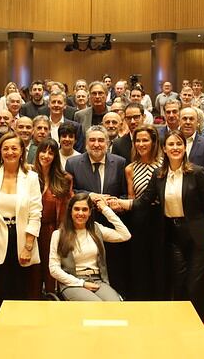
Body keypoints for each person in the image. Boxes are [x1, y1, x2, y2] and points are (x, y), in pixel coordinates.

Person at [117, 130, 204, 318]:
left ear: (185, 147)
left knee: (194, 286)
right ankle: (179, 324)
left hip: (198, 237)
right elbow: (144, 201)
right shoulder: (159, 174)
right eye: (170, 144)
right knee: (177, 283)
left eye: (179, 144)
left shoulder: (197, 172)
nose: (175, 148)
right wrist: (119, 203)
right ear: (164, 148)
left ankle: (196, 325)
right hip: (173, 235)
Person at [0, 132, 42, 313]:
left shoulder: (30, 176)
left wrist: (28, 245)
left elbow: (36, 211)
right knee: (0, 290)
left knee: (21, 289)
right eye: (5, 148)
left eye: (14, 148)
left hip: (22, 236)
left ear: (22, 151)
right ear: (0, 151)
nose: (10, 152)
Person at [65, 125, 130, 295]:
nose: (96, 144)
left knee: (114, 272)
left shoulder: (119, 162)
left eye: (101, 140)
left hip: (111, 227)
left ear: (108, 143)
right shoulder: (73, 163)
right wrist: (90, 196)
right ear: (85, 143)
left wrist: (117, 204)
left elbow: (124, 194)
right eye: (92, 140)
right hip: (83, 228)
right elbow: (70, 193)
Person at [49, 193, 130, 301]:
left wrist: (105, 209)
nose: (80, 213)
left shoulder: (96, 229)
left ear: (90, 212)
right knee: (95, 305)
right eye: (76, 209)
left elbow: (125, 235)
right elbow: (54, 269)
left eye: (84, 209)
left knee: (115, 304)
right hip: (72, 282)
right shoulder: (58, 234)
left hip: (97, 280)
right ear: (70, 211)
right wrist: (82, 283)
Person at [123, 124, 162, 300]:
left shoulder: (164, 165)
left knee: (159, 265)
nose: (141, 144)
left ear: (154, 142)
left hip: (161, 219)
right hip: (139, 220)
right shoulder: (130, 168)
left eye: (145, 140)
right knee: (140, 266)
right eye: (137, 140)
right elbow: (132, 198)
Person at [33, 138, 73, 296]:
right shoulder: (29, 175)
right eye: (43, 151)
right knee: (33, 273)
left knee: (52, 272)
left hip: (52, 231)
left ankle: (52, 301)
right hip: (31, 231)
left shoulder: (64, 179)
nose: (46, 155)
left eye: (51, 152)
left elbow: (68, 207)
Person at [178, 107, 204, 177]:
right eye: (184, 119)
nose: (188, 122)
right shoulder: (170, 143)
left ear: (197, 122)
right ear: (179, 121)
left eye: (191, 119)